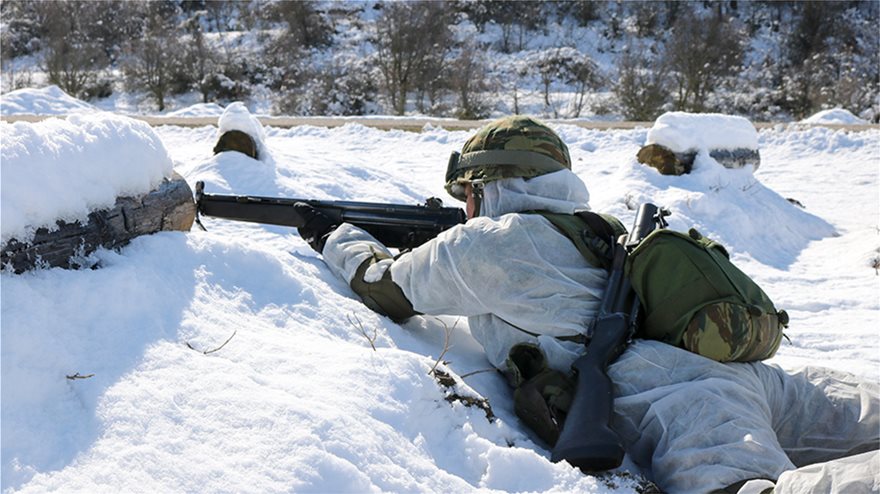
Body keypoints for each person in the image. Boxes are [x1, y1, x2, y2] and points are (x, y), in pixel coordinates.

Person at [294, 116, 879, 493]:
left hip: (685, 409)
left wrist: (334, 235)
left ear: (486, 186)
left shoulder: (485, 244)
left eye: (469, 195)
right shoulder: (599, 230)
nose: (466, 209)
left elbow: (384, 289)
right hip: (749, 377)